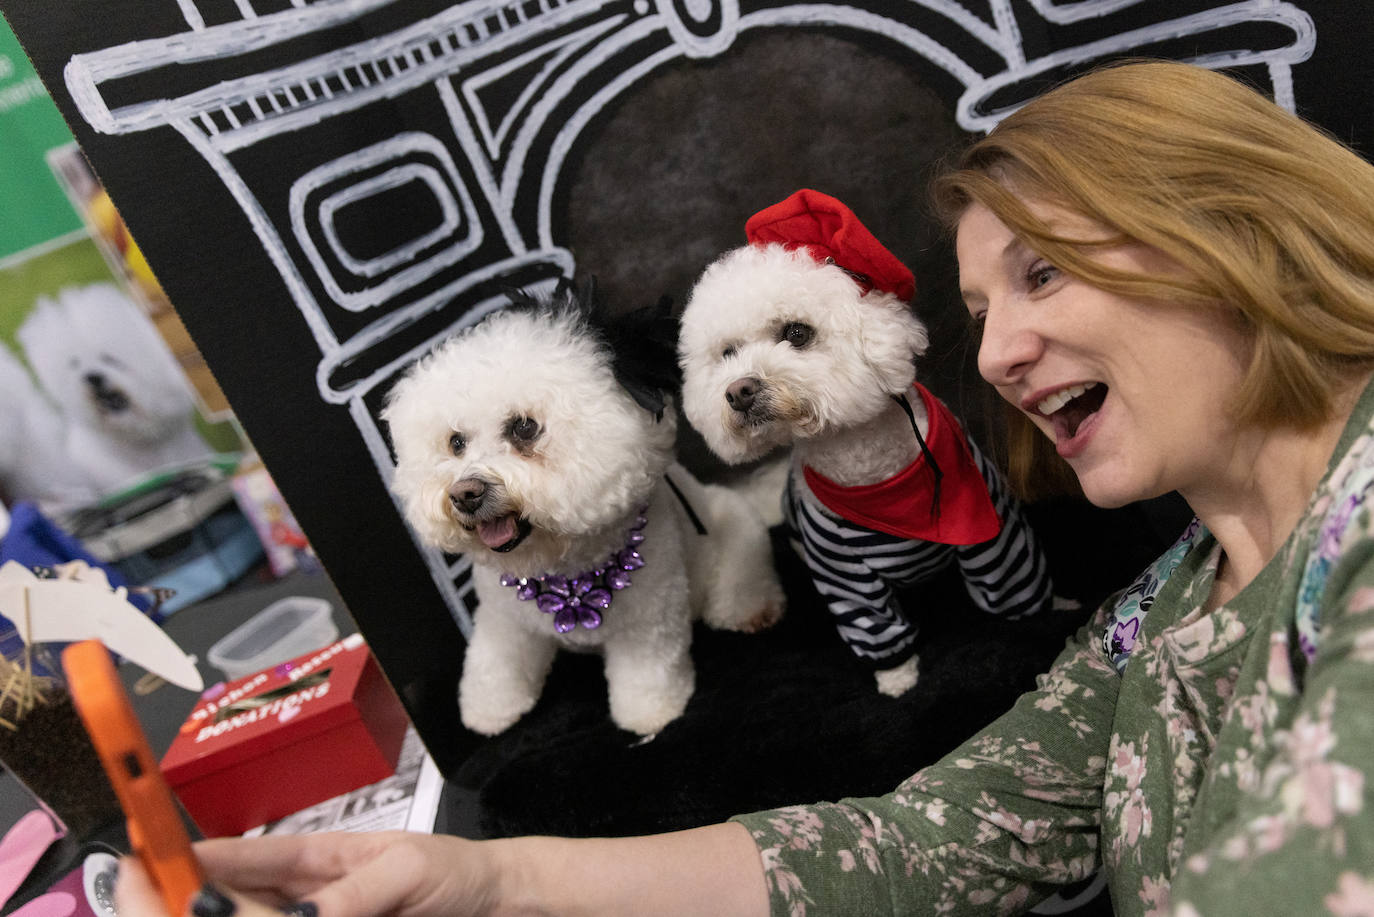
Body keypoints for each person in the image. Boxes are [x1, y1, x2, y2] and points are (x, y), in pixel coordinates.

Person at [117, 59, 1374, 917]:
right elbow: (926, 839)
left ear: (1235, 223)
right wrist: (501, 883)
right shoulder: (1149, 619)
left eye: (1041, 275)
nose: (992, 354)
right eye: (982, 310)